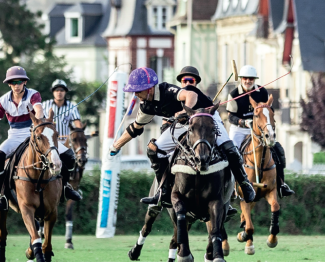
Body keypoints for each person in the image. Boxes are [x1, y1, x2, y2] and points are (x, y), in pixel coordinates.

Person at [108, 67, 256, 205]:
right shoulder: (146, 105)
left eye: (137, 91)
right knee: (154, 150)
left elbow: (190, 94)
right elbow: (135, 127)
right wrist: (116, 145)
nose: (136, 95)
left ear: (149, 88)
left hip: (206, 116)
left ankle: (244, 182)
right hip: (185, 123)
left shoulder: (166, 90)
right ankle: (164, 192)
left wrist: (187, 111)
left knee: (229, 147)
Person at [0, 67, 82, 212]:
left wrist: (38, 120)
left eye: (19, 81)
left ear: (24, 82)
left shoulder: (33, 95)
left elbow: (39, 109)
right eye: (13, 82)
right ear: (9, 84)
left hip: (34, 134)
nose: (16, 85)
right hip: (14, 136)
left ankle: (66, 187)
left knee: (69, 155)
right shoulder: (3, 101)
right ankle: (2, 196)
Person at [226, 65, 295, 198]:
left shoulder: (262, 92)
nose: (248, 81)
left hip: (258, 131)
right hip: (239, 130)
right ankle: (231, 187)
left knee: (277, 150)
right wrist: (243, 122)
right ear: (241, 79)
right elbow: (230, 117)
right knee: (230, 154)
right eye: (245, 78)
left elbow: (269, 111)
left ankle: (281, 184)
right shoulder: (234, 94)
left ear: (254, 79)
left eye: (251, 78)